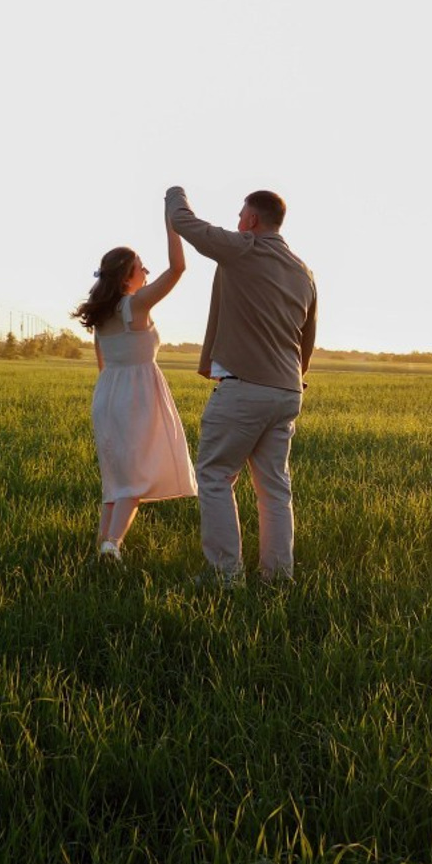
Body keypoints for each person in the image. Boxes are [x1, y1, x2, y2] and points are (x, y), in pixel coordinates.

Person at [164, 185, 317, 587]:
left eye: (239, 216)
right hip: (288, 390)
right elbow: (306, 340)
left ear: (250, 220)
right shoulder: (304, 271)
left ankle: (225, 574)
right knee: (275, 489)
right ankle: (278, 577)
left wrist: (174, 193)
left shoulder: (243, 247)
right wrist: (292, 377)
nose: (236, 223)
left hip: (245, 387)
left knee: (214, 475)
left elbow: (183, 222)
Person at [72, 205, 197, 562]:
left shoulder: (102, 315)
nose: (146, 272)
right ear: (128, 275)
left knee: (117, 477)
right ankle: (112, 546)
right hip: (136, 396)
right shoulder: (135, 305)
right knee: (134, 480)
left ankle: (103, 545)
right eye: (142, 266)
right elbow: (178, 268)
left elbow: (103, 366)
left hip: (107, 396)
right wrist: (173, 223)